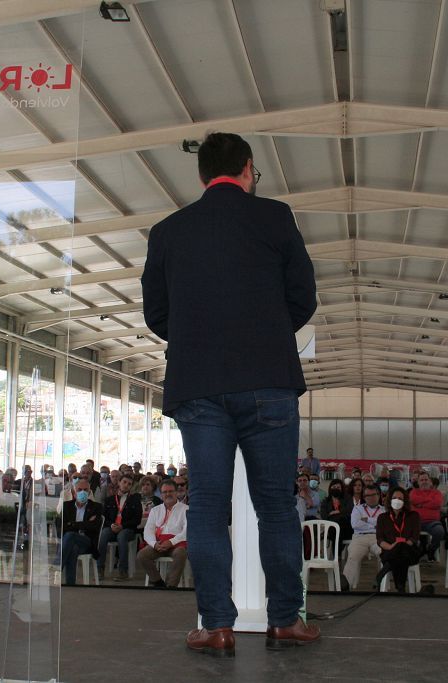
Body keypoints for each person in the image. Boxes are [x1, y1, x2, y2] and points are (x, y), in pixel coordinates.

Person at [142, 132, 319, 656]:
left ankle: (216, 625)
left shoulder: (168, 231)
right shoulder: (275, 217)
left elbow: (157, 314)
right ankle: (286, 620)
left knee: (206, 507)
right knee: (277, 508)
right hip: (268, 382)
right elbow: (302, 297)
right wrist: (262, 333)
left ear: (202, 176)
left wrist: (202, 338)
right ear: (247, 170)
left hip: (197, 385)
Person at [138, 480, 188, 588]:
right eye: (165, 492)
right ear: (161, 494)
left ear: (176, 492)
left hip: (177, 543)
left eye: (171, 491)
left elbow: (187, 531)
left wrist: (171, 542)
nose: (168, 494)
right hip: (159, 543)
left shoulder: (185, 509)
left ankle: (171, 586)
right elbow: (148, 530)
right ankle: (158, 582)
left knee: (180, 554)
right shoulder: (155, 510)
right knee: (142, 555)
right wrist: (154, 544)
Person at [374, 487, 422, 593]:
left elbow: (414, 538)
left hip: (410, 551)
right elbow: (380, 540)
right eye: (395, 498)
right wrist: (392, 547)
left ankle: (385, 570)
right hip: (389, 551)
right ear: (389, 500)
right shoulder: (382, 517)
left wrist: (400, 545)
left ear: (405, 501)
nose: (397, 500)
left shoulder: (413, 516)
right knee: (400, 555)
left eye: (400, 498)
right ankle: (400, 587)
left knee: (402, 548)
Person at [97, 472, 142, 581]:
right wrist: (111, 524)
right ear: (119, 483)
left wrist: (122, 526)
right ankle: (100, 568)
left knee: (122, 536)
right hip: (112, 527)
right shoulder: (110, 500)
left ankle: (123, 571)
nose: (126, 485)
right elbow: (104, 517)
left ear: (131, 486)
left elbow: (137, 519)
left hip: (127, 529)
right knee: (103, 534)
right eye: (124, 482)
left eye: (129, 484)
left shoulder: (135, 500)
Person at [58, 477, 102, 586]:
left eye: (85, 490)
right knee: (72, 547)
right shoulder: (66, 506)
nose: (82, 492)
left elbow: (94, 527)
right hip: (71, 542)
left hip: (87, 542)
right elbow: (61, 526)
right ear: (74, 491)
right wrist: (83, 525)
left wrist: (72, 524)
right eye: (79, 489)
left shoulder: (96, 507)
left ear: (89, 491)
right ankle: (70, 583)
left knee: (70, 535)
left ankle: (55, 569)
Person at [342, 484, 385, 592]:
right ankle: (346, 586)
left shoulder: (384, 510)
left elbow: (384, 525)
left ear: (378, 495)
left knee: (384, 555)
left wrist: (366, 520)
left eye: (373, 495)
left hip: (378, 538)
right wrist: (375, 523)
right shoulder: (357, 508)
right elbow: (355, 524)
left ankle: (382, 584)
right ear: (364, 497)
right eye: (367, 495)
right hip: (359, 538)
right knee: (353, 556)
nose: (370, 497)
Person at [409, 471, 444, 561]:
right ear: (418, 482)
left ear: (430, 481)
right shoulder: (413, 492)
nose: (424, 481)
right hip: (415, 522)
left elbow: (437, 503)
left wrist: (421, 504)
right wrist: (429, 502)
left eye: (426, 479)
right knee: (406, 532)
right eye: (421, 480)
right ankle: (414, 553)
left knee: (439, 531)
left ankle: (431, 550)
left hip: (433, 522)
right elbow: (413, 500)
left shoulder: (437, 493)